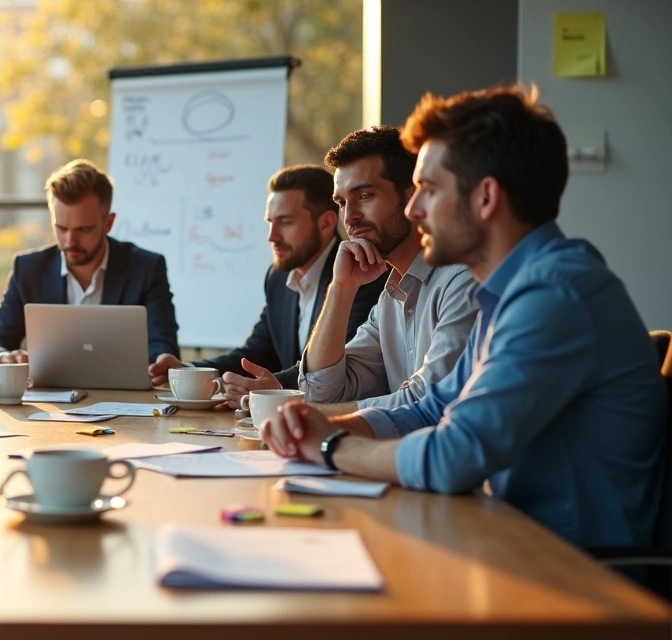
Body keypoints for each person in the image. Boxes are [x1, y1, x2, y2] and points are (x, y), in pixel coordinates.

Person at [264, 86, 666, 550]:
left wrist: (331, 447)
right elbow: (433, 409)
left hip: (578, 581)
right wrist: (322, 427)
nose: (414, 209)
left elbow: (455, 453)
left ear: (486, 198)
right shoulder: (513, 291)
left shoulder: (554, 295)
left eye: (430, 191)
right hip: (511, 543)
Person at [147, 165, 385, 407]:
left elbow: (338, 367)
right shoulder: (278, 278)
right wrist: (187, 369)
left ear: (325, 224)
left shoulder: (360, 273)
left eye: (285, 222)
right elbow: (258, 351)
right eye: (270, 222)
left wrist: (274, 388)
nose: (272, 236)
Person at [292, 126, 478, 414]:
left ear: (414, 197)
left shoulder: (463, 281)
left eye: (364, 196)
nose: (349, 218)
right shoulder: (391, 296)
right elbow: (321, 391)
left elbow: (429, 403)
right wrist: (341, 288)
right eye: (342, 203)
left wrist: (305, 415)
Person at [0, 159, 180, 368]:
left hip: (126, 398)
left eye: (84, 230)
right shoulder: (28, 270)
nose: (70, 241)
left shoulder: (146, 268)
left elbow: (162, 343)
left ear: (108, 223)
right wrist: (1, 357)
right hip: (50, 399)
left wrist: (162, 361)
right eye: (61, 228)